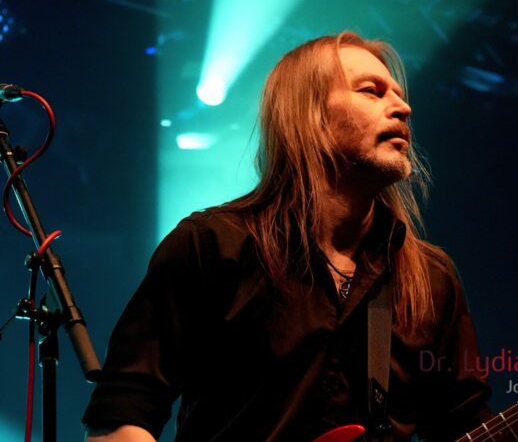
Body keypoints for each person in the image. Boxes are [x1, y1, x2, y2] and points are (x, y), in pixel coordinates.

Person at [82, 32, 492, 441]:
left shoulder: (432, 279)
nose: (403, 107)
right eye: (371, 91)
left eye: (399, 96)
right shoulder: (213, 246)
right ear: (310, 115)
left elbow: (464, 422)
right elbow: (121, 414)